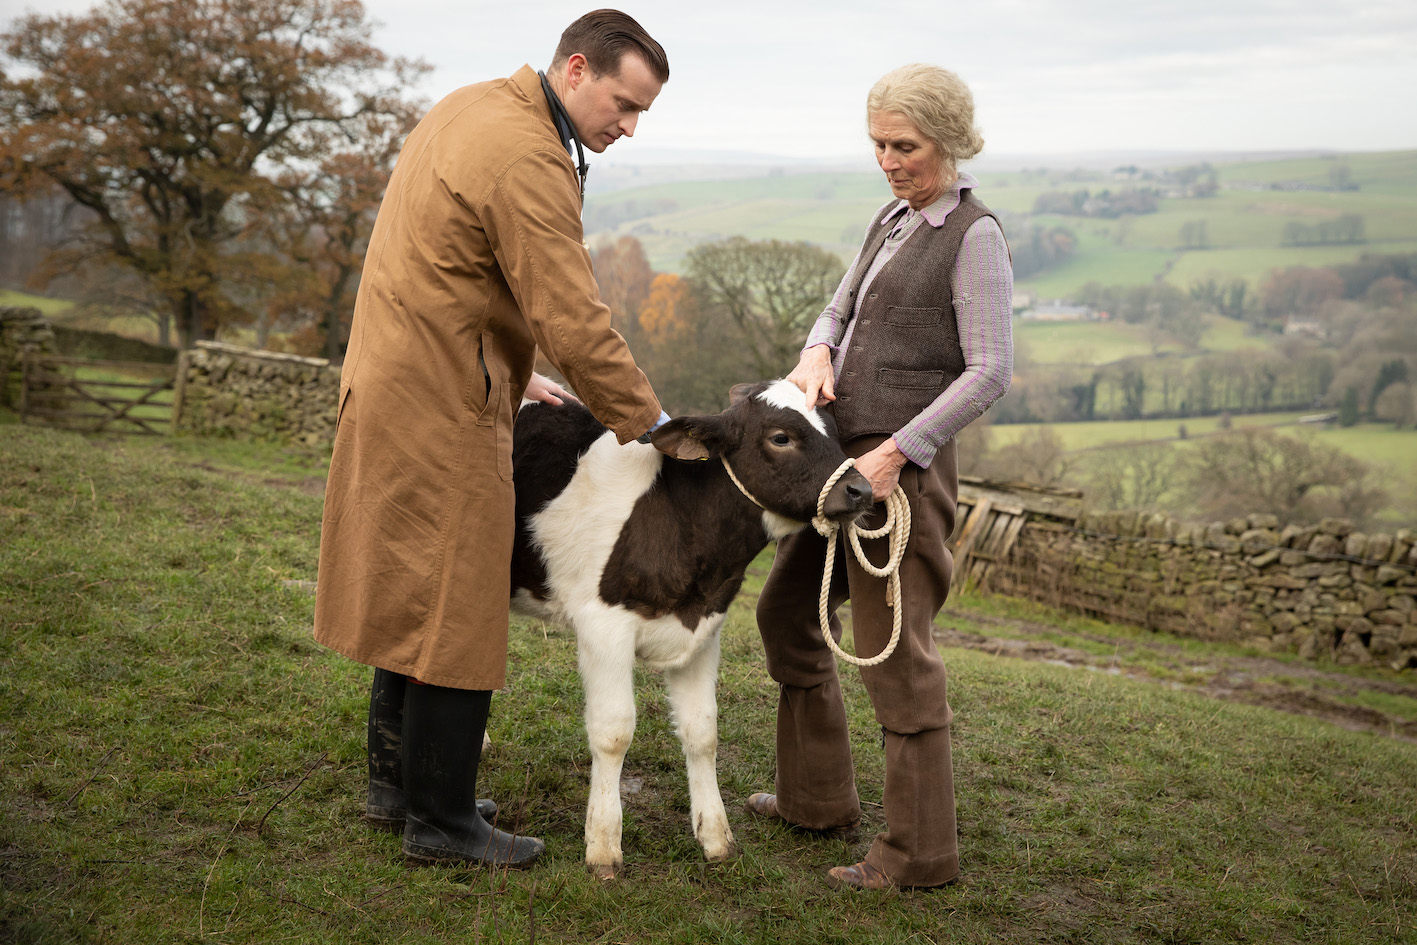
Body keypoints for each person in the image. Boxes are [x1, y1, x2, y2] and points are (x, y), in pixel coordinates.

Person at [313, 10, 673, 869]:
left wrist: (513, 369)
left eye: (642, 115)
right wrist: (652, 425)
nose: (627, 128)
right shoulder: (528, 154)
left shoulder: (474, 106)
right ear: (577, 69)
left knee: (413, 578)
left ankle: (394, 786)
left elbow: (455, 266)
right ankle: (440, 821)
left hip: (401, 370)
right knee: (460, 595)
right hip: (439, 399)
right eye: (623, 105)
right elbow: (572, 317)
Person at [747, 63, 1013, 890]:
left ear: (949, 141)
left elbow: (990, 370)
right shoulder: (891, 218)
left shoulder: (974, 237)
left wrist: (898, 450)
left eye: (905, 145)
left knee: (897, 661)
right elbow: (838, 307)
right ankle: (815, 798)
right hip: (840, 472)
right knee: (786, 614)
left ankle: (917, 855)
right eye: (878, 144)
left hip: (902, 480)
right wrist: (817, 347)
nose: (889, 160)